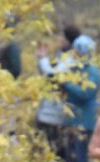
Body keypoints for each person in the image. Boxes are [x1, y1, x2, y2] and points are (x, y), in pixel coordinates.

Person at [56, 35, 100, 162]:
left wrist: (66, 84)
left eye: (77, 49)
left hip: (83, 123)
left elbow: (85, 93)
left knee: (80, 160)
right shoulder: (72, 69)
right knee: (68, 158)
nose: (73, 52)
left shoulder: (93, 72)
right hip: (69, 121)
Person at [35, 24, 81, 153]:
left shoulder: (71, 59)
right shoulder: (61, 56)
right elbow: (46, 75)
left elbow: (53, 76)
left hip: (56, 114)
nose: (60, 39)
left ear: (69, 41)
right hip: (47, 110)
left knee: (55, 150)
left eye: (62, 37)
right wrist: (40, 59)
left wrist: (43, 58)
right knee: (42, 149)